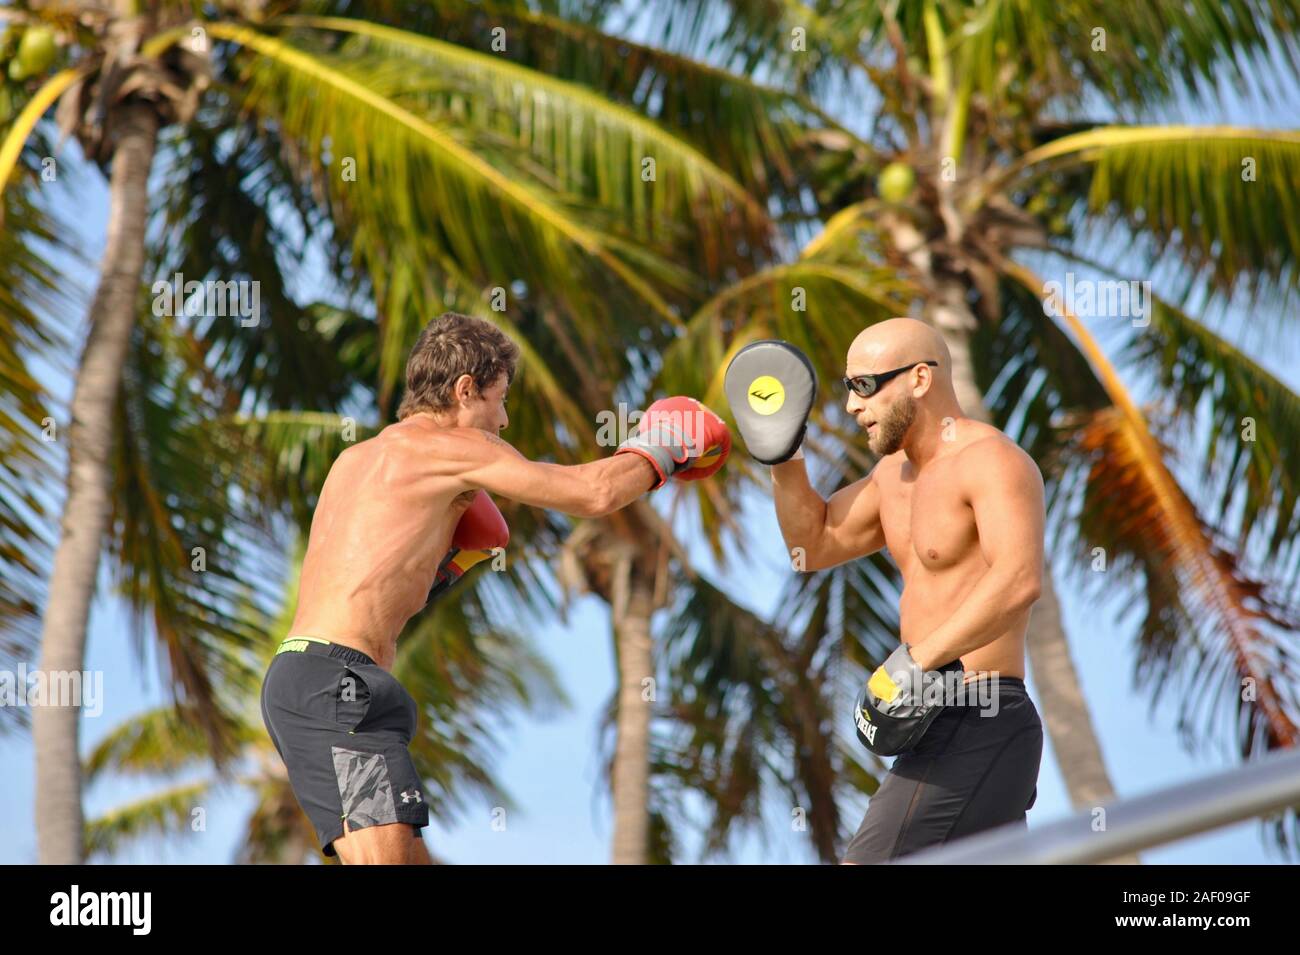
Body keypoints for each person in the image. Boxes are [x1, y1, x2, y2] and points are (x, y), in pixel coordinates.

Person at [260, 311, 730, 864]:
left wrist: (448, 560)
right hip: (337, 687)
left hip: (324, 677)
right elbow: (594, 493)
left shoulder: (356, 460)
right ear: (465, 390)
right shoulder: (451, 449)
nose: (504, 420)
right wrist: (667, 445)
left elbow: (372, 575)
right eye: (500, 399)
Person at [727, 318, 1044, 863]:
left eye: (865, 386)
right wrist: (783, 456)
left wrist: (918, 663)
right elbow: (815, 545)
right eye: (848, 387)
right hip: (934, 721)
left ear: (920, 378)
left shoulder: (991, 461)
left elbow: (1018, 580)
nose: (852, 405)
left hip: (980, 716)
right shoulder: (891, 478)